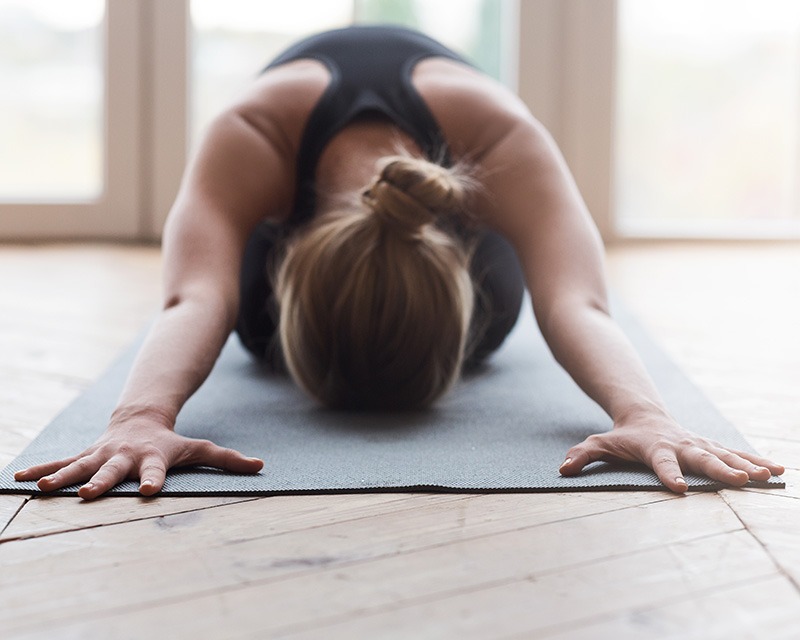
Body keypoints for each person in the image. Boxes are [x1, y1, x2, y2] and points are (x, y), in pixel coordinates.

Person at [15, 25, 783, 499]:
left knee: (525, 281)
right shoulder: (253, 131)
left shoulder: (500, 135)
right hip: (291, 202)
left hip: (450, 215)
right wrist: (141, 417)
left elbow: (575, 301)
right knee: (225, 293)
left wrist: (646, 414)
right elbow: (193, 298)